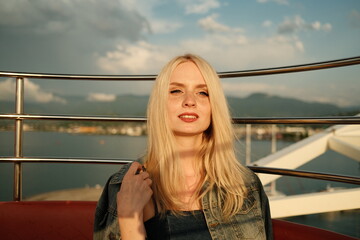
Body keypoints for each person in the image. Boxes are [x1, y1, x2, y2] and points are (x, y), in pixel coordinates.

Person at [93, 54, 273, 240]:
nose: (189, 101)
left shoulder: (245, 185)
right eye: (176, 91)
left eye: (203, 92)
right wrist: (129, 221)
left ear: (214, 107)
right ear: (159, 103)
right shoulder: (125, 186)